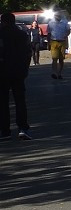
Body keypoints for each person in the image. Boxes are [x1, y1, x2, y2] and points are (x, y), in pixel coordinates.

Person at [0, 12, 33, 140]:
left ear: (3, 21)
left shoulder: (1, 34)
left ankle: (5, 130)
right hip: (18, 71)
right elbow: (28, 53)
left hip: (2, 71)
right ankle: (23, 128)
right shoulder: (22, 34)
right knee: (20, 100)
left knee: (3, 102)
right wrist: (25, 69)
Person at [46, 9, 70, 80]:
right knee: (54, 58)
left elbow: (68, 30)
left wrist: (65, 35)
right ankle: (54, 73)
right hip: (54, 41)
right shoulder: (51, 23)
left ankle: (59, 73)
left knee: (61, 59)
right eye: (56, 15)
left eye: (59, 15)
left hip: (62, 41)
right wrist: (48, 43)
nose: (58, 16)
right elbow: (49, 33)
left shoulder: (65, 22)